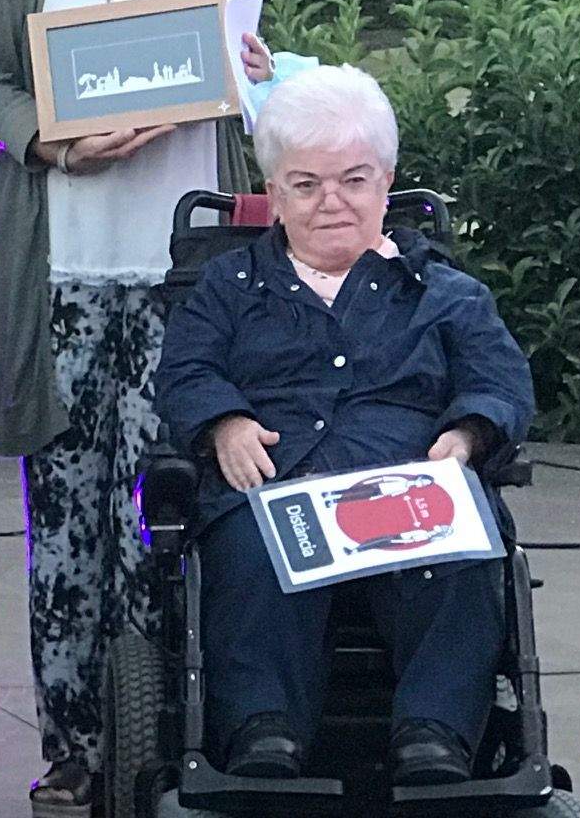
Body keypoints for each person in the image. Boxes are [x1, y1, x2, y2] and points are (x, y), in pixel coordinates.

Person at [0, 0, 274, 812]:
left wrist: (263, 79)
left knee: (165, 514)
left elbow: (249, 100)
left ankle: (161, 743)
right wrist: (56, 138)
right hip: (64, 276)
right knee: (68, 529)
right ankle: (74, 755)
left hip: (188, 276)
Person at [155, 64, 535, 786]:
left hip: (406, 488)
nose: (331, 201)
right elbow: (184, 373)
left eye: (353, 181)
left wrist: (469, 435)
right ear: (274, 194)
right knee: (248, 553)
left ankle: (434, 733)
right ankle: (262, 728)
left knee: (461, 555)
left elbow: (499, 379)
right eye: (305, 184)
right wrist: (226, 423)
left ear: (385, 185)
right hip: (276, 488)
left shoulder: (446, 294)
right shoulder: (228, 289)